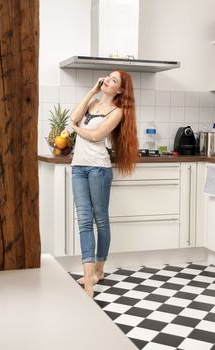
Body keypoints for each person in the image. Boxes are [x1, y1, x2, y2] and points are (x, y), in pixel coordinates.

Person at [70, 70, 138, 298]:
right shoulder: (93, 102)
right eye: (108, 77)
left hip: (99, 168)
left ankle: (99, 269)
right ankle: (89, 276)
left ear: (120, 90)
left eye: (114, 80)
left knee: (101, 219)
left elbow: (96, 136)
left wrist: (76, 130)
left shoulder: (117, 112)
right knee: (84, 220)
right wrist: (91, 91)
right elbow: (73, 115)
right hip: (78, 167)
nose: (107, 80)